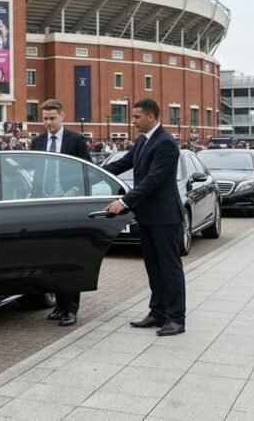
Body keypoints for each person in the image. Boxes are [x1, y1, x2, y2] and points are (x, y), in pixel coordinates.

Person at [103, 98, 186, 337]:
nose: (133, 120)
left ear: (151, 117)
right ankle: (157, 313)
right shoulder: (142, 141)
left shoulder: (166, 143)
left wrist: (123, 201)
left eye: (137, 116)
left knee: (169, 269)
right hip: (148, 216)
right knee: (153, 267)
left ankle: (176, 318)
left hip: (165, 217)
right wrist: (91, 172)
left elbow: (153, 180)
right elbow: (122, 163)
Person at [29, 99, 91, 327]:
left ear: (62, 116)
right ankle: (58, 305)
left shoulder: (76, 141)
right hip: (44, 207)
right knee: (51, 257)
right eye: (44, 118)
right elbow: (35, 173)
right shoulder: (38, 141)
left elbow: (87, 171)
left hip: (69, 205)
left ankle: (71, 309)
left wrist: (73, 191)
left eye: (52, 118)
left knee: (68, 257)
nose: (48, 123)